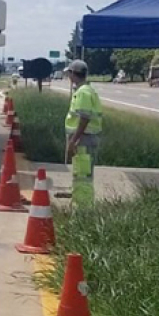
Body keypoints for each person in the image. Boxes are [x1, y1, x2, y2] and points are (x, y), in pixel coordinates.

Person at [64, 59, 103, 207]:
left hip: (83, 141)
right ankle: (81, 204)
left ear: (74, 74)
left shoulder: (83, 93)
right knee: (82, 175)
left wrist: (73, 141)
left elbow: (84, 118)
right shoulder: (87, 90)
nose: (69, 77)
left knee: (82, 177)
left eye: (69, 74)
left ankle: (82, 208)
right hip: (85, 139)